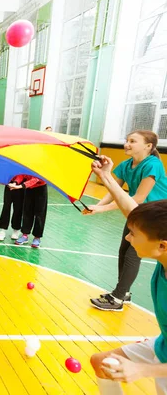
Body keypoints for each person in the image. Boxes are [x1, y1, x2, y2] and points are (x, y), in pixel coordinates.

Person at [89, 155, 167, 395]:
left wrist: (144, 370)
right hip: (163, 345)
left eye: (133, 234)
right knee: (102, 362)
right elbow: (132, 210)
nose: (127, 237)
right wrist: (106, 177)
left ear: (162, 246)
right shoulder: (163, 252)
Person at [86, 130, 167, 311]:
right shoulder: (126, 164)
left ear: (148, 146)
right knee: (124, 250)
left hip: (157, 216)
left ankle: (117, 298)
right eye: (126, 140)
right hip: (138, 214)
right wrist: (97, 205)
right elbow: (114, 189)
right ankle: (124, 292)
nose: (126, 144)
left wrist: (103, 209)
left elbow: (138, 198)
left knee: (133, 254)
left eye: (132, 141)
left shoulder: (152, 165)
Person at [13, 175, 48, 248]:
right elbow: (22, 175)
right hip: (29, 189)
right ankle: (25, 235)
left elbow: (35, 179)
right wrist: (15, 182)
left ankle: (37, 237)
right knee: (27, 212)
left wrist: (20, 186)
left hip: (41, 188)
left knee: (40, 215)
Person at [0, 176, 25, 241]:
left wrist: (15, 183)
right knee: (6, 207)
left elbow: (21, 175)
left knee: (18, 208)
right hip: (9, 185)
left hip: (20, 187)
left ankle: (16, 230)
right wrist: (3, 180)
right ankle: (2, 231)